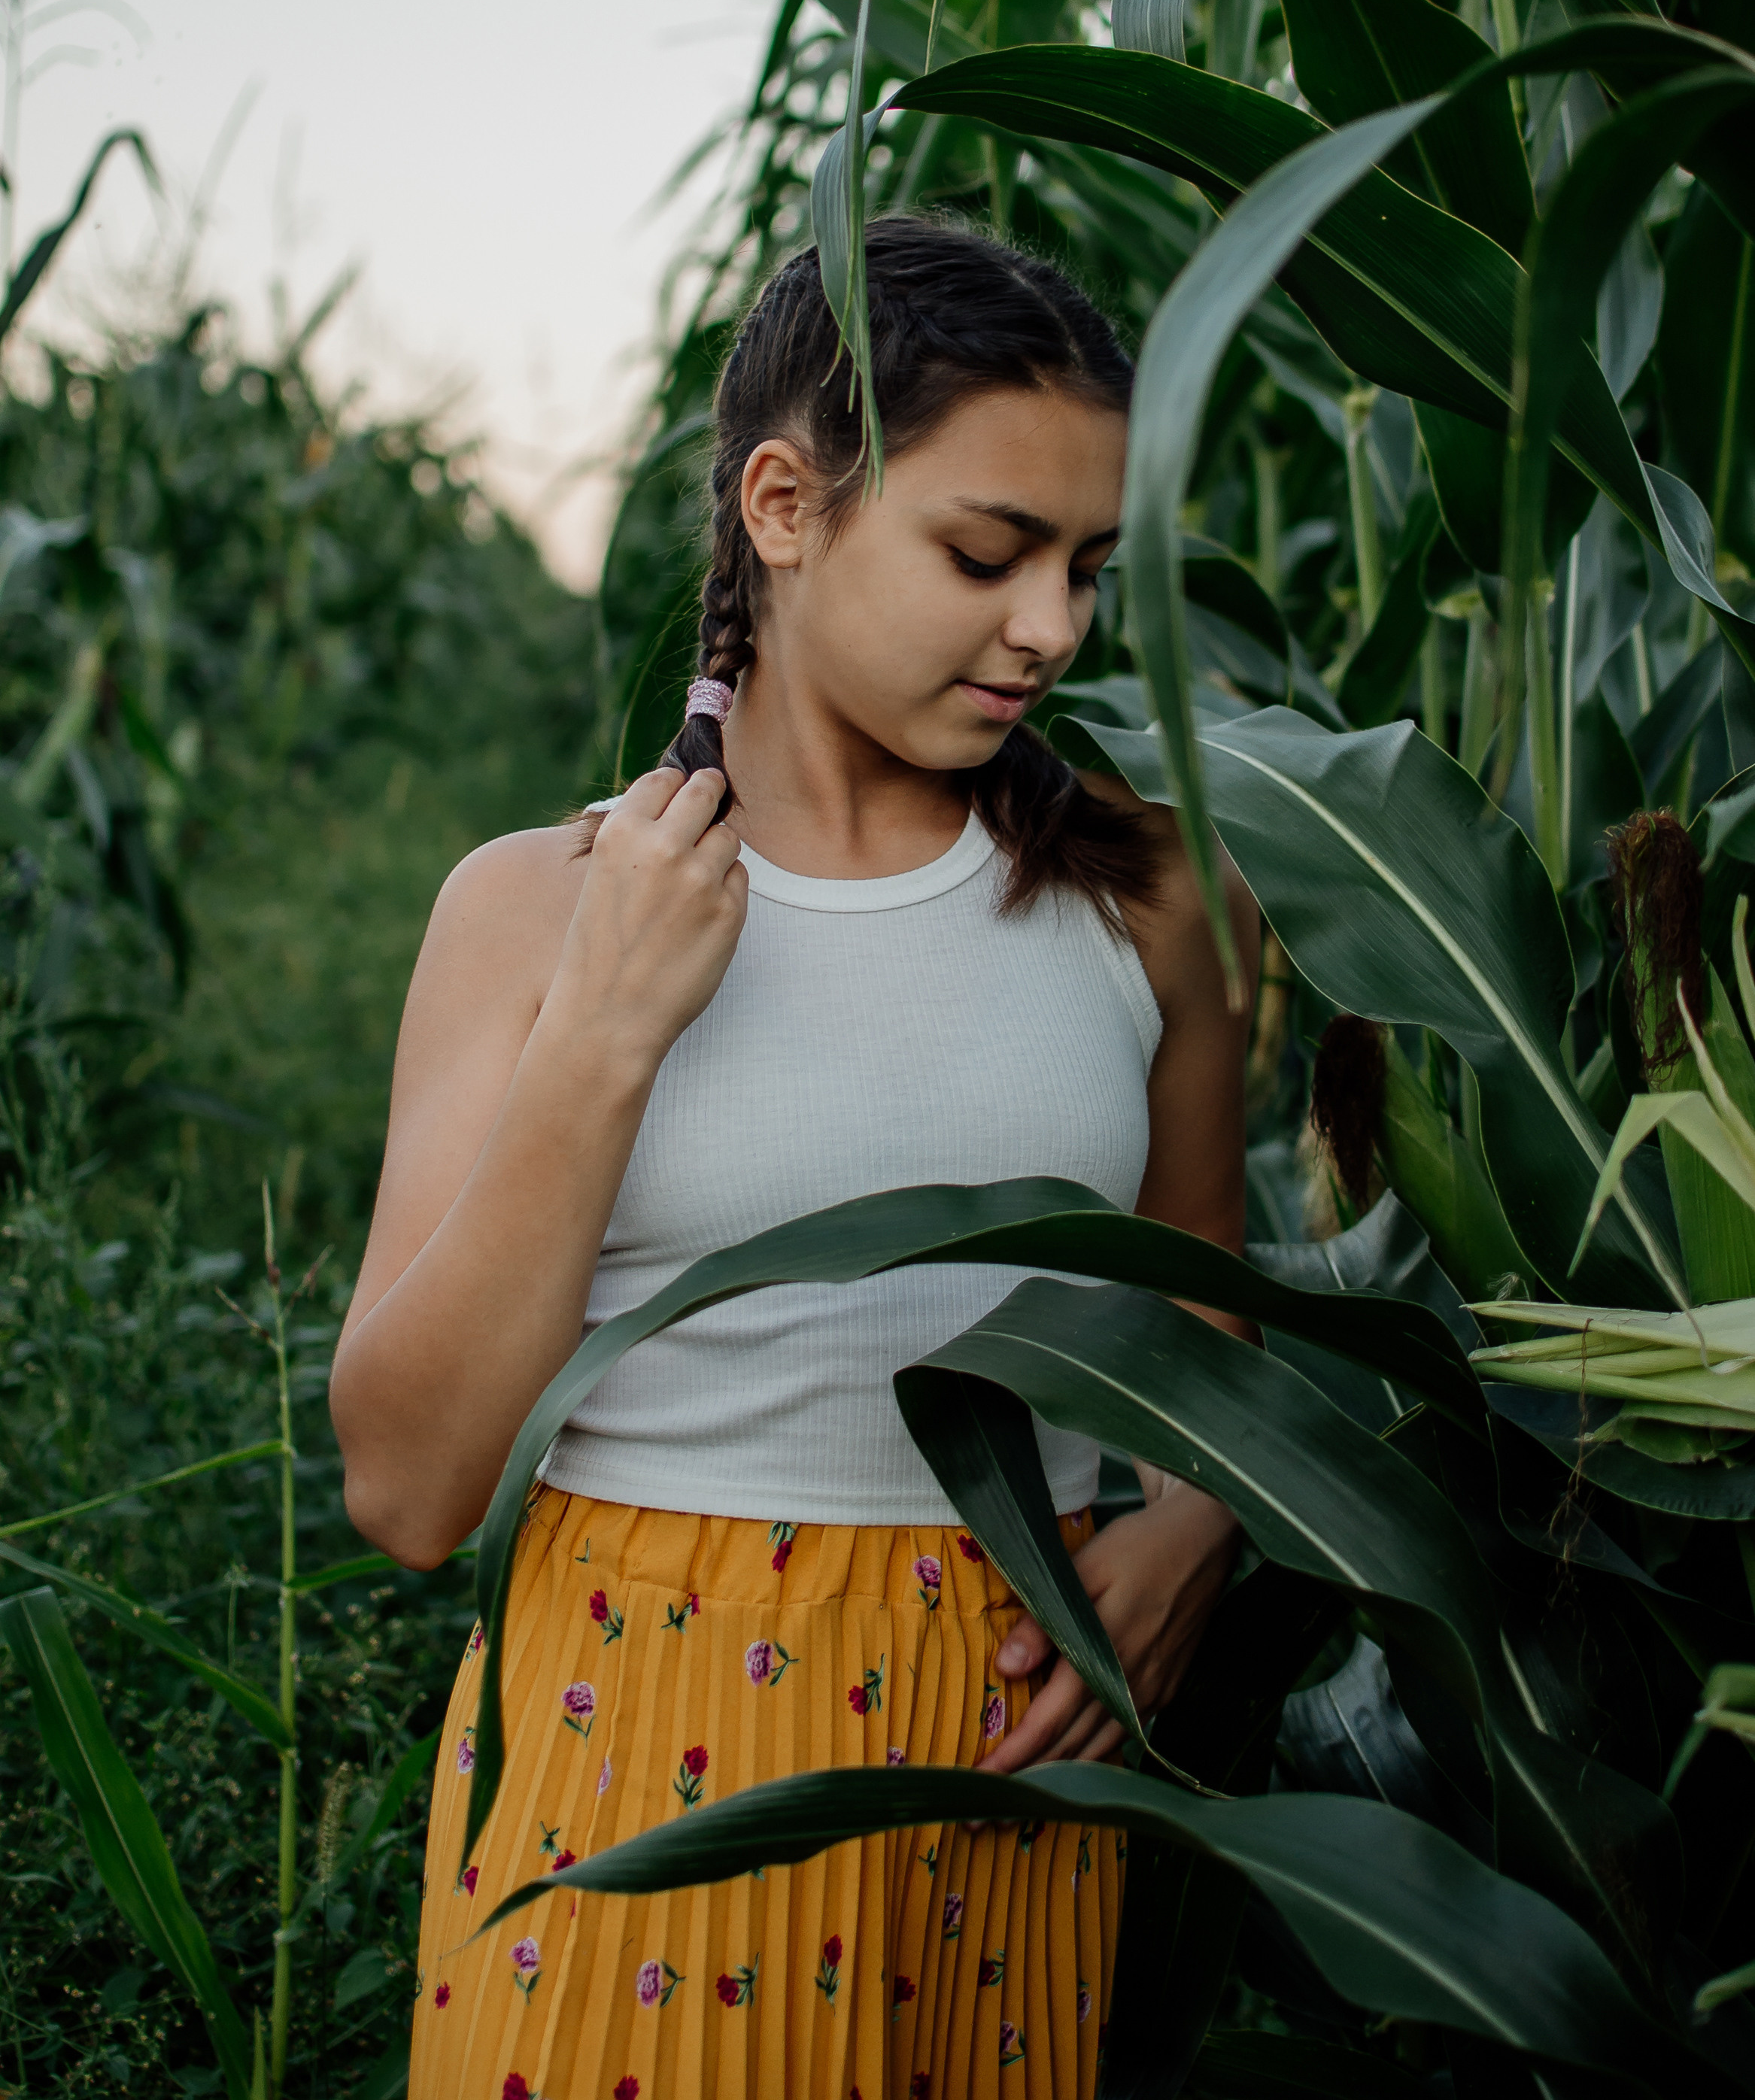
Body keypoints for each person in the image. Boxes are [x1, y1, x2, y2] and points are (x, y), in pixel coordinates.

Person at [331, 217, 1259, 2100]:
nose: (1055, 630)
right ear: (782, 503)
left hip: (1007, 1747)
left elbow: (1218, 1313)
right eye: (987, 554)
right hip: (634, 1732)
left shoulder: (1158, 894)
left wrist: (1192, 1530)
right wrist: (604, 1034)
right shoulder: (534, 911)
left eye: (1087, 568)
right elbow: (411, 1486)